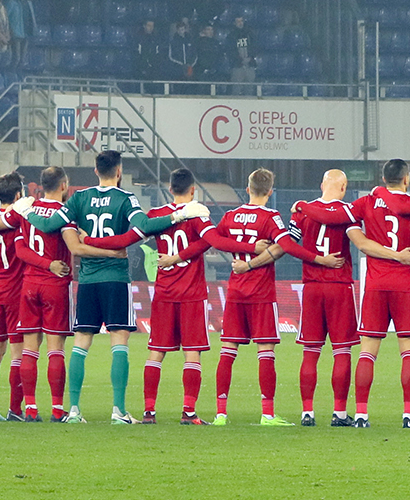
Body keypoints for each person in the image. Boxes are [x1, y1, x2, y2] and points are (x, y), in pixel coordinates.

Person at [27, 149, 190, 423]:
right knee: (119, 341)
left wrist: (28, 213)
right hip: (115, 279)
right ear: (119, 171)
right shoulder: (125, 198)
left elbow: (49, 224)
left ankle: (74, 410)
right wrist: (177, 217)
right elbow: (145, 225)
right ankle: (119, 411)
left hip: (87, 280)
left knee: (81, 343)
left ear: (95, 171)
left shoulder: (79, 198)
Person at [163, 167, 335, 425]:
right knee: (265, 351)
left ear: (247, 189)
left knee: (228, 351)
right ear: (270, 192)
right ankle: (267, 414)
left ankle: (221, 414)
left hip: (235, 291)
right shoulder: (270, 217)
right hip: (261, 292)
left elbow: (212, 241)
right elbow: (287, 245)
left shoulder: (231, 216)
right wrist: (318, 259)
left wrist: (178, 257)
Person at [346, 159, 410, 426]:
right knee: (409, 350)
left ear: (383, 179)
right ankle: (409, 415)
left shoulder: (367, 202)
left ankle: (361, 415)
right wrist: (399, 256)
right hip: (406, 287)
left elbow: (359, 241)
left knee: (367, 352)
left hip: (375, 286)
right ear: (407, 179)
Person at [281, 168, 363, 426]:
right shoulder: (348, 212)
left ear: (321, 185)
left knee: (310, 351)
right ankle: (340, 414)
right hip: (339, 287)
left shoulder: (302, 212)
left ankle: (307, 412)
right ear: (344, 188)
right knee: (342, 351)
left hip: (312, 287)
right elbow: (358, 241)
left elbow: (289, 245)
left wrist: (315, 259)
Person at [133, 168, 214, 424]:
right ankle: (188, 412)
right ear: (193, 189)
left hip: (164, 293)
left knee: (156, 352)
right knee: (192, 352)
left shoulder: (157, 214)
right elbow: (210, 241)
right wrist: (181, 257)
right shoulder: (198, 214)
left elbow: (138, 230)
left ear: (170, 189)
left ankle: (149, 412)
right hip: (192, 294)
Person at [11, 166, 77, 422]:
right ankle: (57, 410)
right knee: (55, 349)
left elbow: (21, 251)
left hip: (29, 284)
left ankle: (30, 409)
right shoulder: (65, 213)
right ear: (63, 186)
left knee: (29, 350)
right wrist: (50, 265)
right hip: (54, 284)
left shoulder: (27, 210)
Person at [0, 172, 32, 421]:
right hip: (16, 294)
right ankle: (15, 410)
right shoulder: (18, 220)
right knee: (17, 354)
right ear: (19, 195)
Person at [6, 0, 37, 68]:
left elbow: (31, 17)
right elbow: (6, 17)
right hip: (16, 33)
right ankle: (12, 72)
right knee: (16, 57)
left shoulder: (29, 3)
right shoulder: (12, 3)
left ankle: (19, 73)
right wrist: (10, 30)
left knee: (23, 58)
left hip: (26, 32)